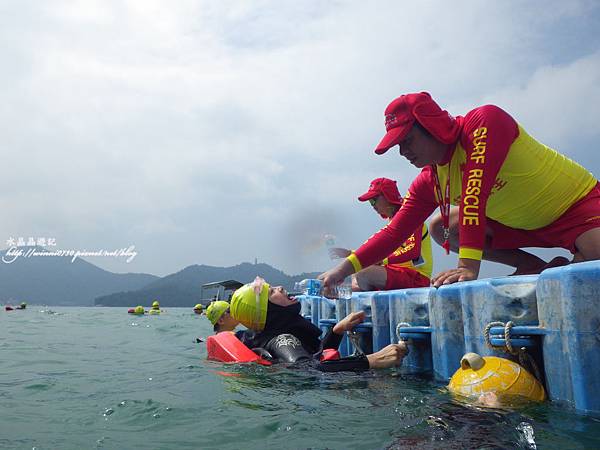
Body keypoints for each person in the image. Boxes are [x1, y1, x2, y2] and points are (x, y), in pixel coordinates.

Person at [320, 92, 600, 290]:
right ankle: (533, 266)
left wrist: (467, 267)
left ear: (430, 126)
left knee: (590, 260)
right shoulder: (429, 181)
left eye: (407, 140)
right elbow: (395, 232)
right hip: (519, 224)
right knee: (442, 226)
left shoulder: (484, 122)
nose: (403, 152)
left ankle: (567, 264)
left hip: (575, 208)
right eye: (398, 146)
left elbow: (473, 198)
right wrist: (343, 269)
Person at [206, 277, 407, 371]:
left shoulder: (271, 335)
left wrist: (336, 331)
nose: (281, 287)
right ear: (267, 311)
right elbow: (308, 370)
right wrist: (372, 360)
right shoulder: (283, 339)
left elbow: (312, 356)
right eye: (272, 292)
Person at [329, 177, 432, 291]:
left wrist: (382, 261)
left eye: (374, 200)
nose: (372, 205)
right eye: (370, 202)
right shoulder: (393, 222)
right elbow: (381, 252)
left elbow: (413, 252)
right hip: (396, 274)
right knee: (356, 271)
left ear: (387, 196)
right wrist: (350, 253)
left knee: (362, 271)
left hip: (416, 278)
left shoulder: (410, 216)